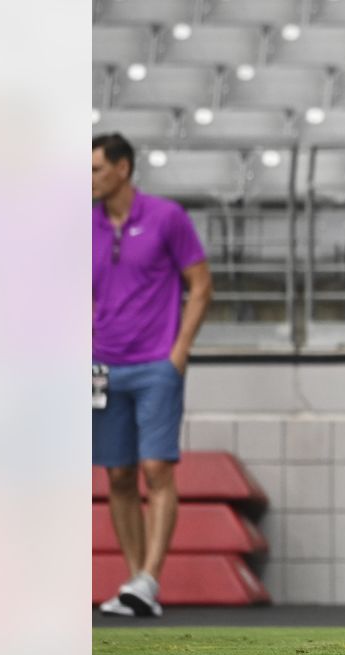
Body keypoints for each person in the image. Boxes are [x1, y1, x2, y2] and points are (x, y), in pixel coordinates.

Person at [93, 133, 213, 618]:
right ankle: (135, 582)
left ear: (123, 169)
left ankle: (149, 578)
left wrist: (178, 352)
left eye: (97, 168)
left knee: (157, 468)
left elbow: (201, 284)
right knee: (117, 474)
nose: (90, 178)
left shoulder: (167, 218)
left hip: (155, 366)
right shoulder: (83, 225)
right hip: (102, 366)